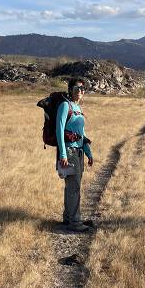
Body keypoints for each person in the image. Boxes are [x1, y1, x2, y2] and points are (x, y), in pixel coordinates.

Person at [57, 78, 94, 232]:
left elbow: (81, 133)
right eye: (76, 88)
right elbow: (59, 130)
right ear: (70, 90)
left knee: (71, 187)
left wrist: (88, 152)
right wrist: (63, 155)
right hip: (69, 152)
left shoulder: (77, 108)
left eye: (82, 88)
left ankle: (68, 218)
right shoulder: (65, 106)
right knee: (74, 187)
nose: (80, 91)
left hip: (78, 152)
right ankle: (75, 222)